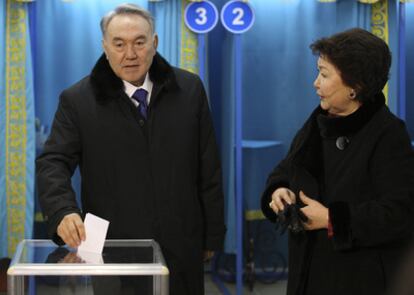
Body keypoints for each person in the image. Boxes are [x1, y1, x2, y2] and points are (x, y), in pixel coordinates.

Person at [36, 4, 225, 295]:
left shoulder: (189, 90)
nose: (130, 54)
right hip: (114, 249)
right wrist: (62, 210)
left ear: (155, 43)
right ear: (104, 46)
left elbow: (208, 166)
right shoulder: (77, 100)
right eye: (119, 44)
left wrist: (212, 235)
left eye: (139, 42)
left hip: (181, 243)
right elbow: (53, 162)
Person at [261, 28, 414, 295]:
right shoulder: (318, 123)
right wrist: (279, 190)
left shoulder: (389, 135)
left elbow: (399, 213)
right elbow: (286, 169)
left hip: (357, 280)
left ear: (355, 87)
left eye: (324, 74)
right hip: (306, 276)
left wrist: (333, 219)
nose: (315, 83)